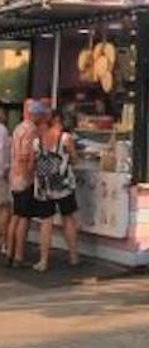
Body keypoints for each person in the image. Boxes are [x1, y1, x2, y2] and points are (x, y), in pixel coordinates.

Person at [31, 110, 79, 272]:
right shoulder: (65, 138)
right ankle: (73, 256)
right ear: (57, 120)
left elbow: (33, 163)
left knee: (46, 222)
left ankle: (43, 260)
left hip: (44, 187)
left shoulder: (37, 141)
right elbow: (74, 159)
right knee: (68, 218)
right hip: (63, 185)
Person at [6, 99, 50, 268]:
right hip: (23, 178)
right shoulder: (31, 131)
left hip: (14, 176)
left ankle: (9, 252)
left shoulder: (18, 128)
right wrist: (29, 174)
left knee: (16, 215)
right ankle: (19, 256)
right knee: (24, 217)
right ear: (36, 115)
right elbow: (25, 156)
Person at [0, 117, 10, 258]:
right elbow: (3, 154)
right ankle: (3, 242)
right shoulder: (2, 130)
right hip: (0, 176)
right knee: (4, 207)